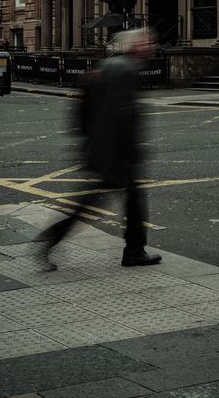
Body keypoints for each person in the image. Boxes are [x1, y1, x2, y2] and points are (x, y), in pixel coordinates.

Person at [36, 28, 162, 270]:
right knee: (123, 201)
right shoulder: (125, 71)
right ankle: (133, 252)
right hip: (116, 153)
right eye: (146, 42)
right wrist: (131, 151)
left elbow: (81, 111)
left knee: (94, 203)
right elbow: (123, 116)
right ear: (133, 46)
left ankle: (51, 240)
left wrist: (89, 141)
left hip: (100, 149)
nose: (150, 46)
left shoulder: (104, 68)